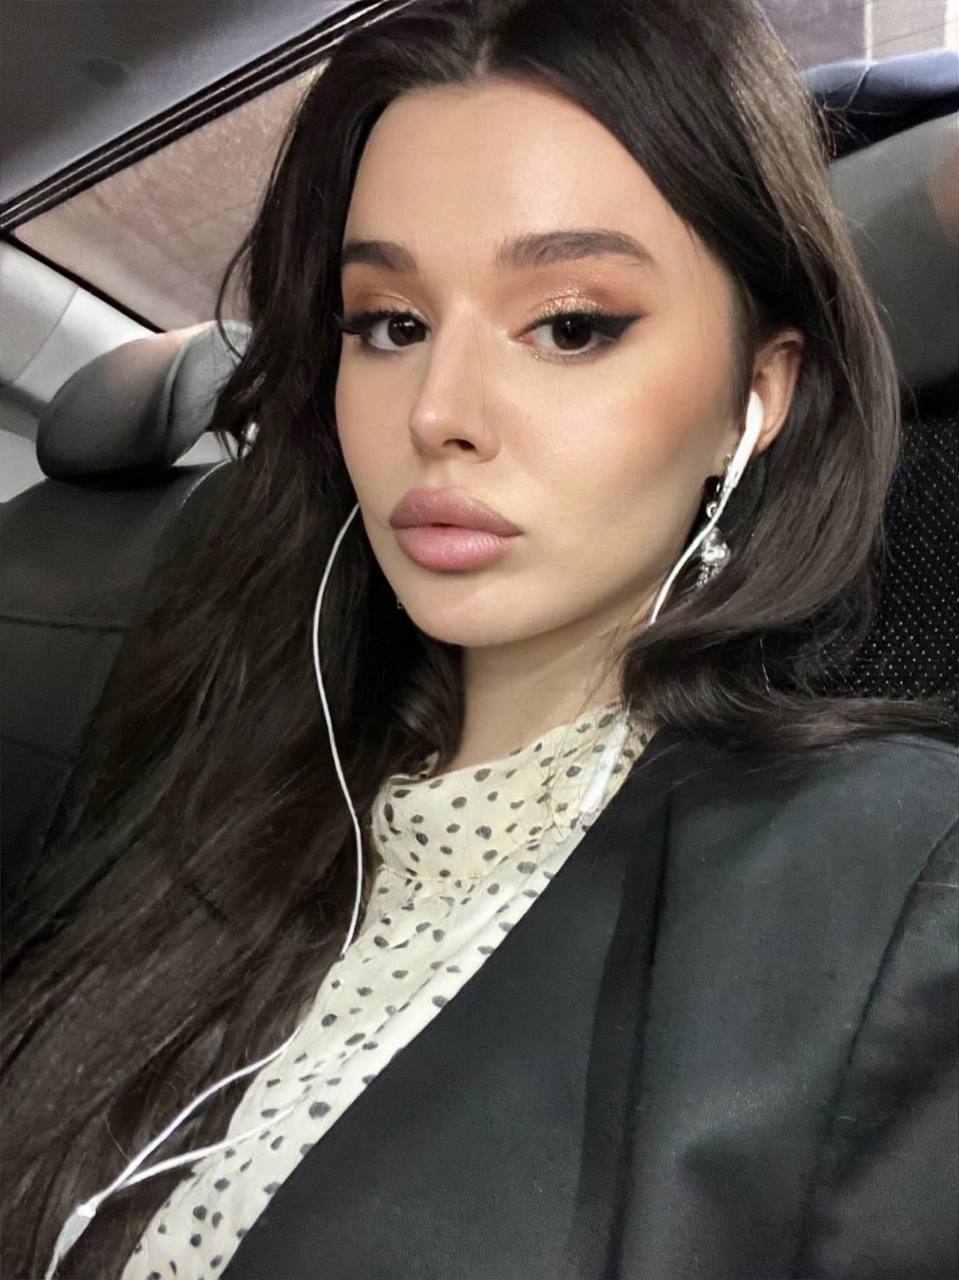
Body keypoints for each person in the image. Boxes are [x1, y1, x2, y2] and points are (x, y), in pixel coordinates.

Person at [2, 1, 955, 1277]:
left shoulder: (895, 887)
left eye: (569, 325)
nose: (437, 411)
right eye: (388, 324)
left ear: (756, 391)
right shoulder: (234, 747)